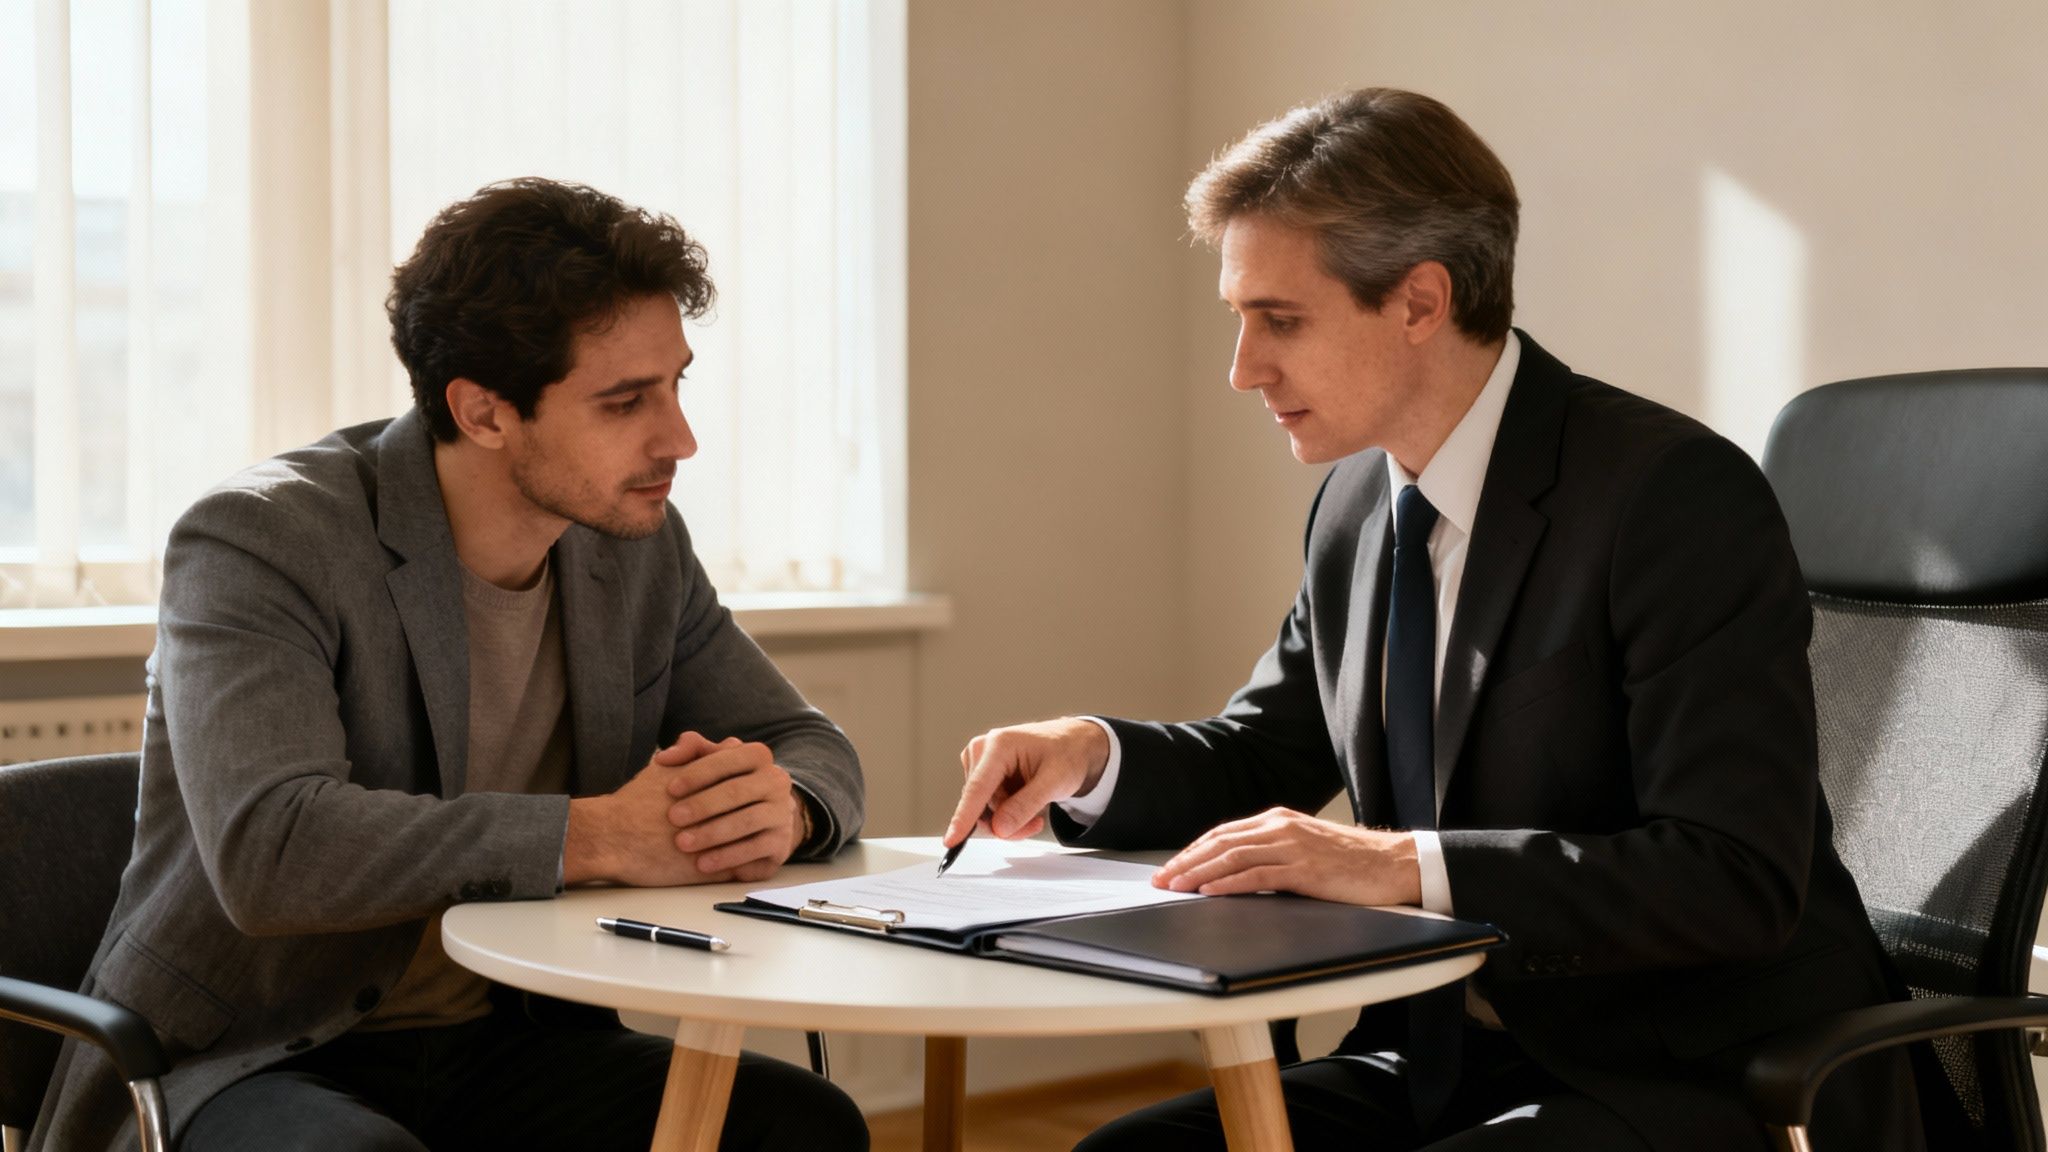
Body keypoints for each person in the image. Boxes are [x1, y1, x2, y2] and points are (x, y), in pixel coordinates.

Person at [943, 89, 1923, 1152]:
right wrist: (1087, 755)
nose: (1241, 369)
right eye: (1238, 319)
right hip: (1434, 1054)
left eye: (1279, 320)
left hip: (1672, 1067)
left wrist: (1394, 863)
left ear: (1417, 302)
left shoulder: (1666, 496)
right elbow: (1263, 752)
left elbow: (1731, 877)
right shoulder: (1359, 507)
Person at [32, 178, 869, 1152]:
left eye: (676, 383)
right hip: (249, 1051)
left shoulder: (635, 546)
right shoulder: (261, 540)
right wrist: (595, 835)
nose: (678, 438)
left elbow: (805, 742)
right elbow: (272, 849)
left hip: (511, 1039)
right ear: (482, 412)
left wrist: (789, 803)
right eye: (624, 401)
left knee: (799, 1127)